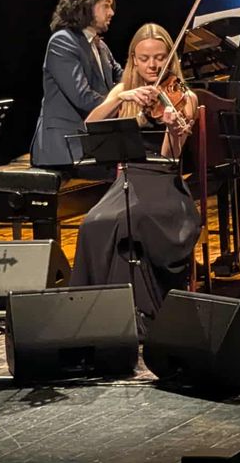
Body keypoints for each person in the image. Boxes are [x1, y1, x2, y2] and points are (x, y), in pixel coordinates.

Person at [68, 23, 200, 335]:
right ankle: (98, 313)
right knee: (93, 223)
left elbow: (172, 157)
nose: (153, 65)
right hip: (128, 180)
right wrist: (119, 98)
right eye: (145, 58)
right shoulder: (123, 91)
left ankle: (144, 315)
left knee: (131, 219)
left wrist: (173, 128)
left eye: (159, 57)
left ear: (169, 57)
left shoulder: (183, 95)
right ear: (133, 60)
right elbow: (91, 125)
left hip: (164, 185)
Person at [30, 0, 124, 169]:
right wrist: (121, 101)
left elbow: (124, 78)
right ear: (86, 5)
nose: (112, 12)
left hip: (93, 144)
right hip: (65, 148)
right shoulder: (62, 41)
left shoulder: (101, 47)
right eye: (106, 5)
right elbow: (83, 97)